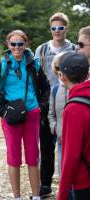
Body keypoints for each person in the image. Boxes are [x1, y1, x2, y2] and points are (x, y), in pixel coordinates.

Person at [0, 30, 50, 200]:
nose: (17, 47)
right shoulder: (2, 65)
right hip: (11, 116)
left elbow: (46, 87)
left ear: (25, 45)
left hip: (32, 113)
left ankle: (36, 196)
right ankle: (17, 197)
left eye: (20, 44)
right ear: (8, 45)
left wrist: (41, 107)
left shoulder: (33, 64)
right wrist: (1, 110)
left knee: (32, 156)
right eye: (13, 44)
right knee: (13, 156)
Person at [35, 12, 75, 198]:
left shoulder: (74, 49)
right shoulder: (41, 50)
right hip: (45, 101)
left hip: (68, 101)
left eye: (61, 28)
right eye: (54, 28)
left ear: (66, 28)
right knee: (46, 147)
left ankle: (69, 184)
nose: (57, 31)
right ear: (50, 29)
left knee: (68, 147)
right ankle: (45, 185)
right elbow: (35, 76)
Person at [56, 52, 90, 200]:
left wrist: (62, 195)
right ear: (88, 74)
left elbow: (71, 156)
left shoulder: (73, 109)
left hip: (85, 181)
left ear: (62, 76)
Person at [48, 53, 74, 200]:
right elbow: (51, 114)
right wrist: (54, 129)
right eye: (57, 67)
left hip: (78, 140)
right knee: (63, 174)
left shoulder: (79, 88)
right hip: (61, 140)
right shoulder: (55, 90)